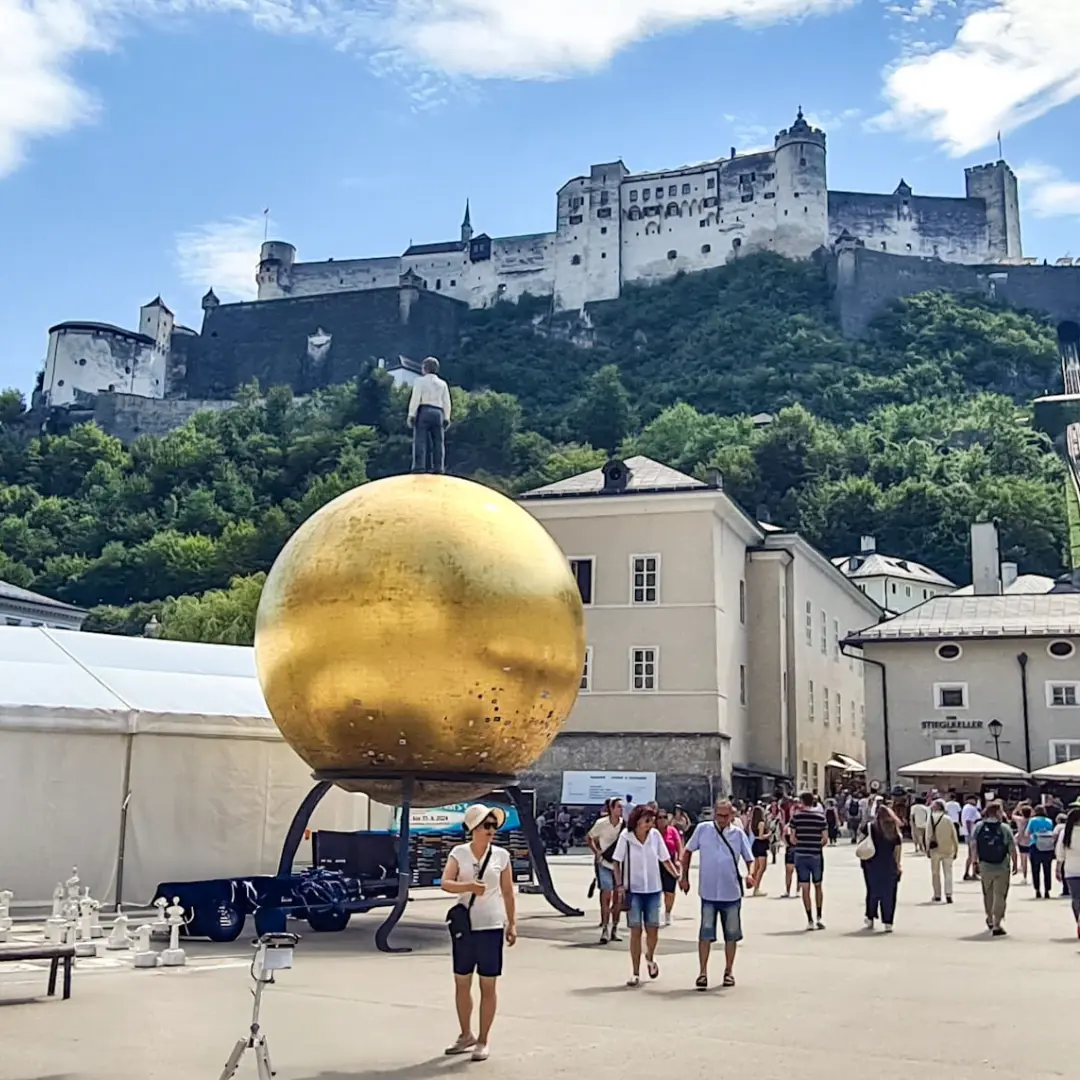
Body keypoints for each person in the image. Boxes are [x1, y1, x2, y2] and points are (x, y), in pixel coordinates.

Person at [440, 804, 516, 1061]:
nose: (491, 830)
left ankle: (483, 1039)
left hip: (491, 925)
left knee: (488, 984)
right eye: (486, 825)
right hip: (465, 926)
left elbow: (507, 890)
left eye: (494, 825)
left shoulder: (501, 856)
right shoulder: (459, 853)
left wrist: (512, 923)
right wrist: (469, 886)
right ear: (473, 828)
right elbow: (445, 883)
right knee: (462, 982)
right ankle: (465, 1034)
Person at [680, 798, 755, 990]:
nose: (721, 819)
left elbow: (749, 858)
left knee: (731, 935)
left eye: (725, 815)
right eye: (718, 815)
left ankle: (728, 971)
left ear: (732, 815)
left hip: (731, 893)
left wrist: (751, 875)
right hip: (709, 892)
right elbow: (687, 851)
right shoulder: (703, 830)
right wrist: (684, 877)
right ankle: (703, 972)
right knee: (705, 934)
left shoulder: (738, 834)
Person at [613, 805, 679, 987]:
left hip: (653, 889)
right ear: (637, 820)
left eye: (652, 821)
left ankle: (649, 956)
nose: (650, 825)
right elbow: (616, 862)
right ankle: (635, 972)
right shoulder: (626, 838)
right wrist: (619, 885)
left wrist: (677, 876)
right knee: (635, 931)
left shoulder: (655, 836)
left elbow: (665, 859)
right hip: (633, 890)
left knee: (653, 929)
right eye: (647, 821)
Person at [972, 800, 1018, 935]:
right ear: (998, 812)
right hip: (1002, 865)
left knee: (988, 893)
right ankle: (997, 923)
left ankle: (989, 917)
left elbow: (973, 846)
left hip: (985, 865)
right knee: (1000, 894)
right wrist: (1015, 862)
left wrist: (974, 862)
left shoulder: (979, 826)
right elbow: (1011, 847)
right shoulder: (1005, 828)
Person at [859, 803, 903, 931]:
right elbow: (897, 849)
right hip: (889, 864)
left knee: (872, 891)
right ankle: (888, 921)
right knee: (889, 893)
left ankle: (870, 917)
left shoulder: (869, 827)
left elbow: (860, 841)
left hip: (871, 863)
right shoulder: (893, 829)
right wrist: (898, 864)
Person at [587, 798, 624, 943]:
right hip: (605, 864)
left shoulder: (624, 825)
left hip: (619, 866)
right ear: (612, 808)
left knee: (618, 898)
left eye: (622, 807)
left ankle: (615, 927)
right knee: (606, 894)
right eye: (619, 807)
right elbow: (589, 837)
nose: (621, 809)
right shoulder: (601, 824)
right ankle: (605, 928)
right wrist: (597, 852)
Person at [789, 791, 828, 930]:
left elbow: (792, 838)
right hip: (816, 855)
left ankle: (809, 919)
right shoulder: (820, 818)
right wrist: (816, 845)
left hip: (801, 854)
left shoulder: (796, 818)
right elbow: (825, 839)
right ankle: (819, 917)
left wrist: (800, 843)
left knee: (805, 887)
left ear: (801, 802)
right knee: (818, 885)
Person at [408, 356, 452, 474]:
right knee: (438, 441)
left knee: (420, 440)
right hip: (438, 412)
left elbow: (415, 398)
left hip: (424, 410)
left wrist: (411, 414)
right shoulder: (442, 384)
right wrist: (447, 417)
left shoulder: (419, 381)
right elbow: (447, 402)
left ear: (424, 368)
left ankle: (419, 466)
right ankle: (438, 467)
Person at [925, 798, 959, 903]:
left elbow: (928, 835)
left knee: (935, 873)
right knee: (948, 873)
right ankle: (949, 894)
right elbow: (954, 835)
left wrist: (927, 848)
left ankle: (937, 894)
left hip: (935, 849)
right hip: (948, 849)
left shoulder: (930, 819)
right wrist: (956, 849)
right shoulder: (948, 819)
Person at [655, 809, 684, 924]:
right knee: (656, 890)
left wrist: (679, 860)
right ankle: (654, 913)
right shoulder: (652, 832)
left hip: (670, 861)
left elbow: (679, 846)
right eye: (659, 818)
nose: (662, 820)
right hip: (655, 863)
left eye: (664, 817)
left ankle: (667, 912)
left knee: (669, 891)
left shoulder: (672, 831)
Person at [1055, 807, 1080, 937]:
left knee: (1076, 899)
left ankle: (1079, 921)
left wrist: (1058, 868)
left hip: (1071, 871)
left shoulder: (1066, 832)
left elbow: (1060, 852)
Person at [1027, 805, 1056, 898]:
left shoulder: (1033, 820)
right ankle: (1047, 890)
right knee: (1047, 869)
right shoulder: (1049, 821)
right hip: (1048, 847)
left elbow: (1027, 833)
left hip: (1035, 845)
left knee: (1035, 869)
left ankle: (1037, 890)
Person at [748, 804, 770, 896]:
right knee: (762, 867)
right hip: (761, 845)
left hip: (755, 844)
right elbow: (761, 836)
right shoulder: (761, 823)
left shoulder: (752, 823)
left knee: (757, 867)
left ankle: (755, 886)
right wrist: (769, 834)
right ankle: (756, 887)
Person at [960, 795, 982, 880]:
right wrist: (971, 834)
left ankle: (967, 872)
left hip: (968, 833)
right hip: (972, 834)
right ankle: (973, 873)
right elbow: (969, 821)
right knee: (974, 854)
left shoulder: (966, 808)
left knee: (971, 855)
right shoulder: (971, 809)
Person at [1012, 804, 1032, 884]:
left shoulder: (1019, 819)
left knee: (1024, 860)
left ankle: (1025, 877)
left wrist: (1017, 807)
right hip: (1031, 841)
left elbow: (1012, 815)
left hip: (1022, 841)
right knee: (1032, 860)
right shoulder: (1032, 820)